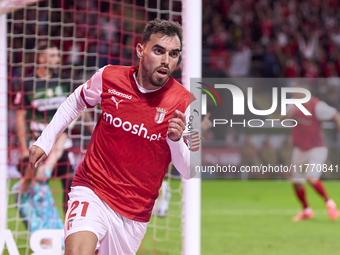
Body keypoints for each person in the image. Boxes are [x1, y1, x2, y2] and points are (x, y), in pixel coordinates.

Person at [29, 19, 200, 255]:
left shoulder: (186, 104)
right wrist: (44, 141)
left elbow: (190, 170)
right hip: (92, 188)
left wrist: (175, 140)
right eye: (159, 51)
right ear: (141, 50)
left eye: (173, 54)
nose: (166, 60)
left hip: (133, 212)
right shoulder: (110, 77)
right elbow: (77, 100)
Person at [13, 41, 74, 236]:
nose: (57, 59)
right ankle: (40, 234)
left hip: (61, 147)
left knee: (71, 191)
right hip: (37, 146)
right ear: (41, 58)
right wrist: (23, 149)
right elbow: (20, 118)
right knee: (34, 190)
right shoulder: (28, 83)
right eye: (53, 55)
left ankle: (69, 234)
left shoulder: (64, 81)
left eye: (58, 55)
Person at [284, 81, 340, 222]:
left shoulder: (317, 105)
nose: (294, 94)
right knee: (296, 181)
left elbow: (335, 115)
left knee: (312, 177)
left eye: (296, 91)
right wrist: (286, 115)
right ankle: (306, 210)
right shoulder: (293, 105)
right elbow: (281, 118)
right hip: (300, 149)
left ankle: (330, 203)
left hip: (316, 148)